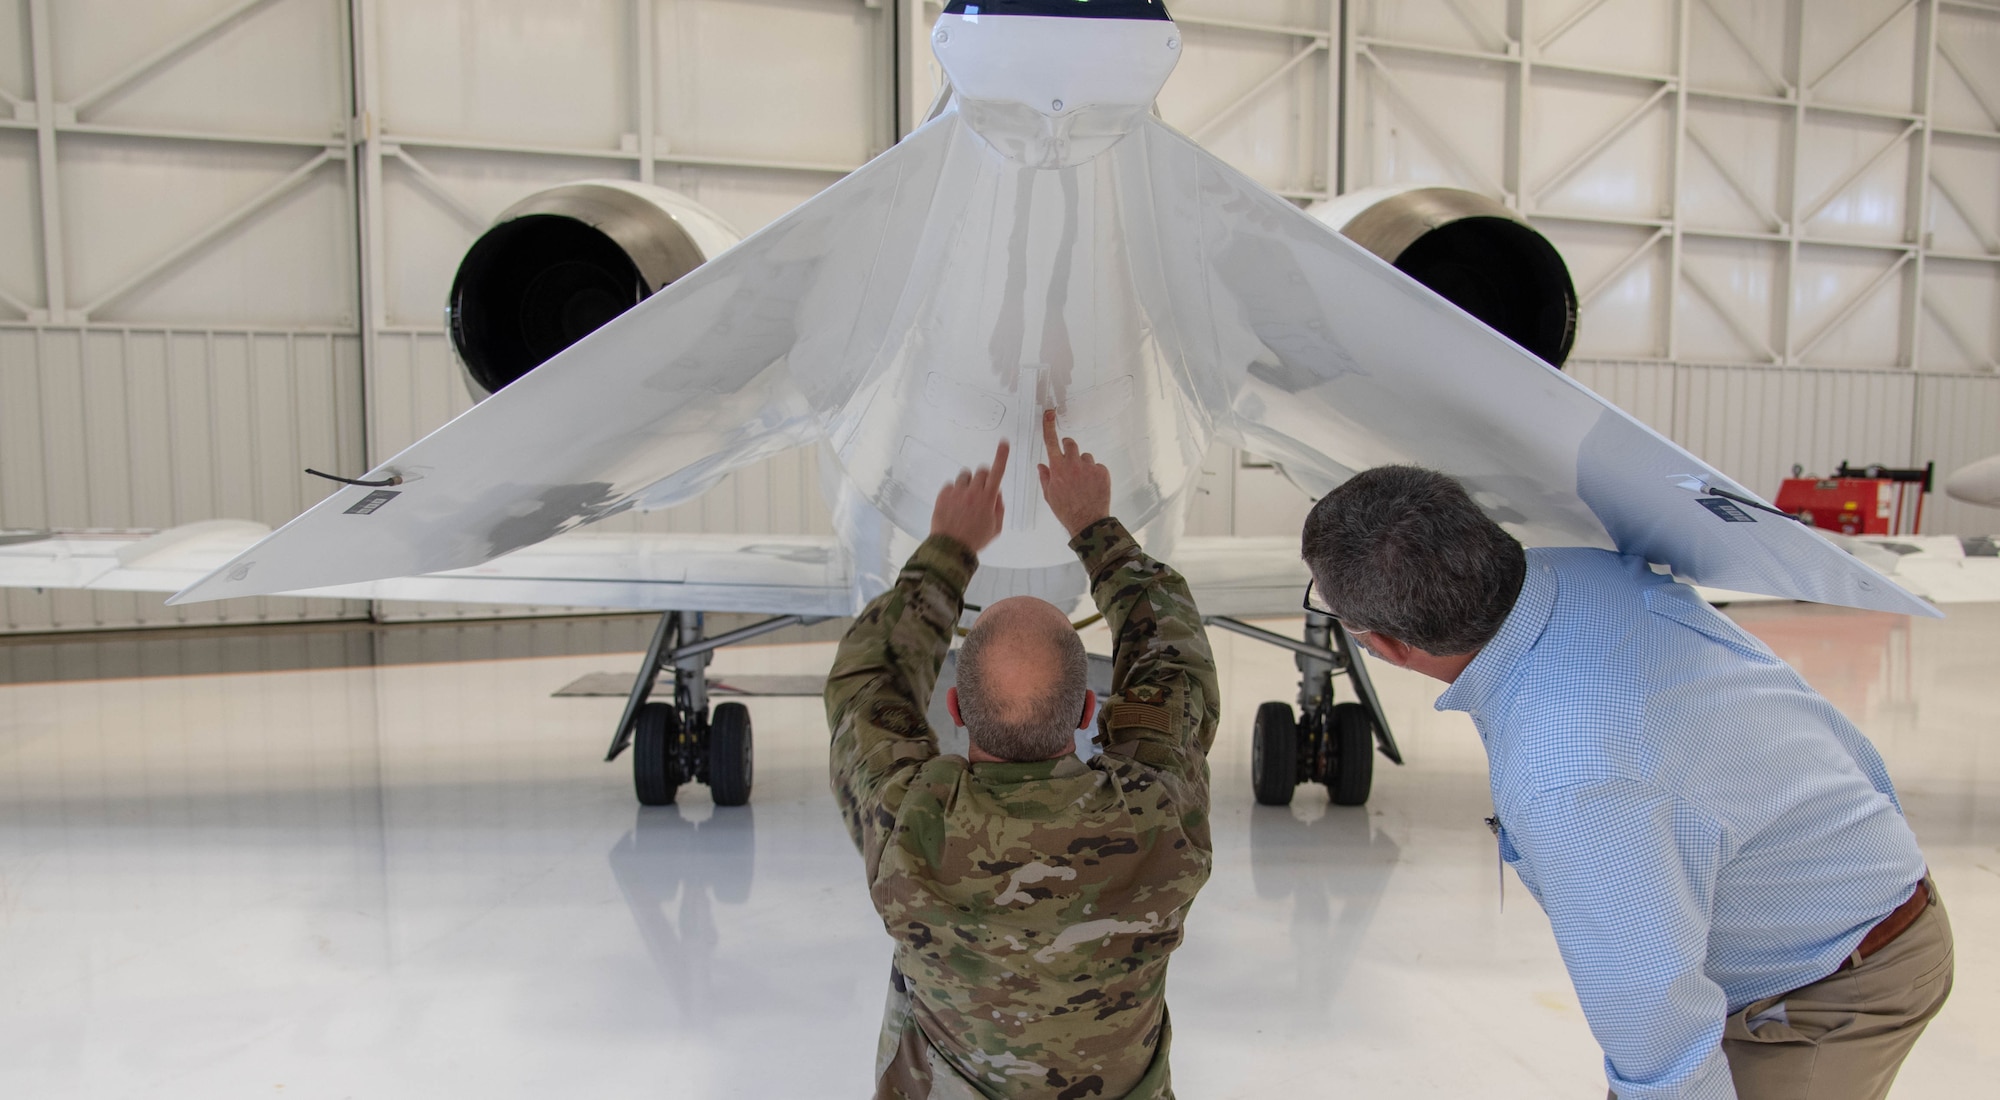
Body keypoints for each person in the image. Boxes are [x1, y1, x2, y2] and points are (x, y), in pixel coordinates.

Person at [1300, 465, 1953, 1100]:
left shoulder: (1571, 777)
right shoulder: (1587, 574)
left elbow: (1658, 1034)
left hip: (1828, 985)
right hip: (1854, 893)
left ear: (1387, 645)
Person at [826, 411, 1219, 1100]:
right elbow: (1173, 668)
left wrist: (950, 549)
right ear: (1089, 711)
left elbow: (869, 684)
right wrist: (1094, 529)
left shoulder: (907, 822)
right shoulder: (1156, 812)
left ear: (953, 710)